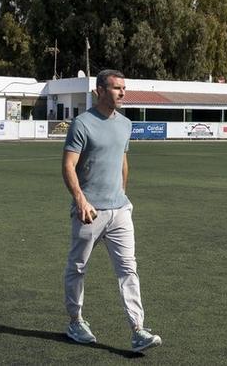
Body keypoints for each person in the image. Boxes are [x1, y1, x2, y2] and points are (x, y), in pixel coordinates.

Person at [62, 69, 162, 353]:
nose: (122, 93)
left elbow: (122, 162)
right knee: (77, 268)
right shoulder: (82, 124)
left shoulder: (126, 124)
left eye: (124, 88)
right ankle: (75, 321)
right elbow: (68, 165)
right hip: (89, 212)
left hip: (120, 211)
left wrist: (123, 196)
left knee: (128, 269)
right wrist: (81, 200)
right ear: (100, 91)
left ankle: (138, 330)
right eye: (116, 88)